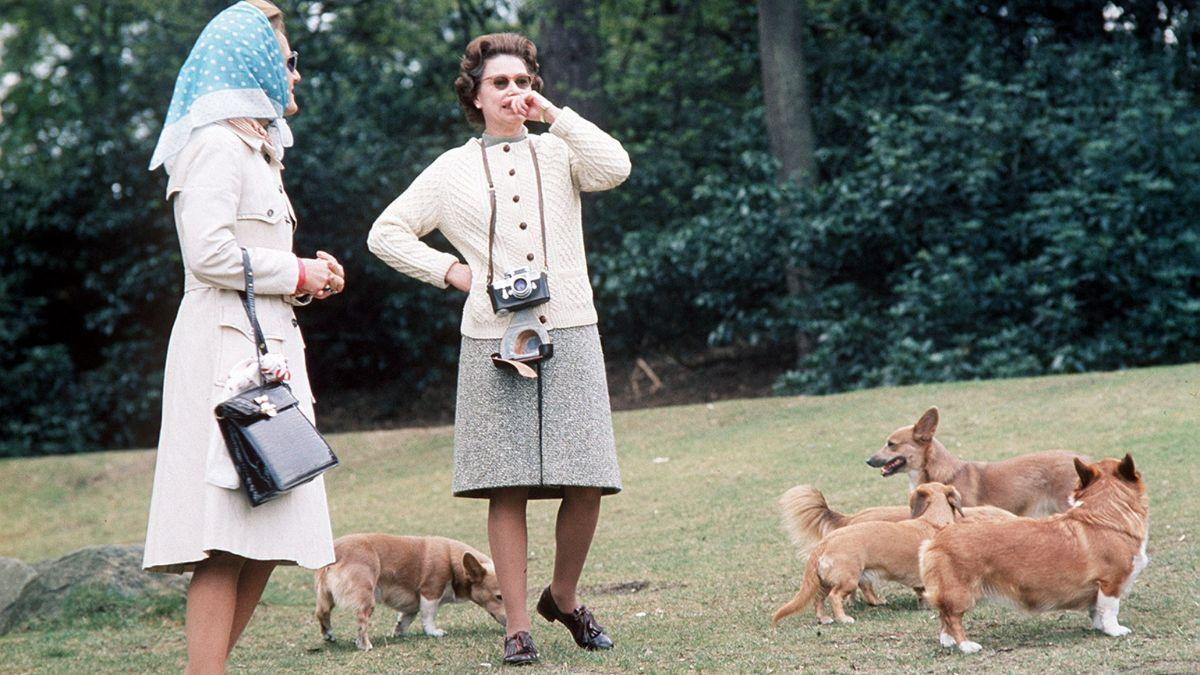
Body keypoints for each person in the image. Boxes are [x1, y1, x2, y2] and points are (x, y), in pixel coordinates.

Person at [367, 32, 630, 665]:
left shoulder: (560, 150)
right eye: (500, 83)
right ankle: (516, 626)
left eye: (523, 81)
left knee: (587, 479)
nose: (515, 92)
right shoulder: (449, 169)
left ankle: (562, 597)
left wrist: (554, 115)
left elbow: (616, 167)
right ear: (476, 96)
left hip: (571, 327)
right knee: (505, 486)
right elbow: (385, 233)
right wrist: (452, 272)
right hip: (493, 338)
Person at [142, 2, 345, 672]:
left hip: (267, 358)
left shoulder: (258, 149)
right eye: (288, 61)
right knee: (225, 539)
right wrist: (297, 270)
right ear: (251, 63)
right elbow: (207, 255)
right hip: (223, 359)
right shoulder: (215, 146)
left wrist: (308, 280)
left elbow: (253, 260)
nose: (296, 75)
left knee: (267, 534)